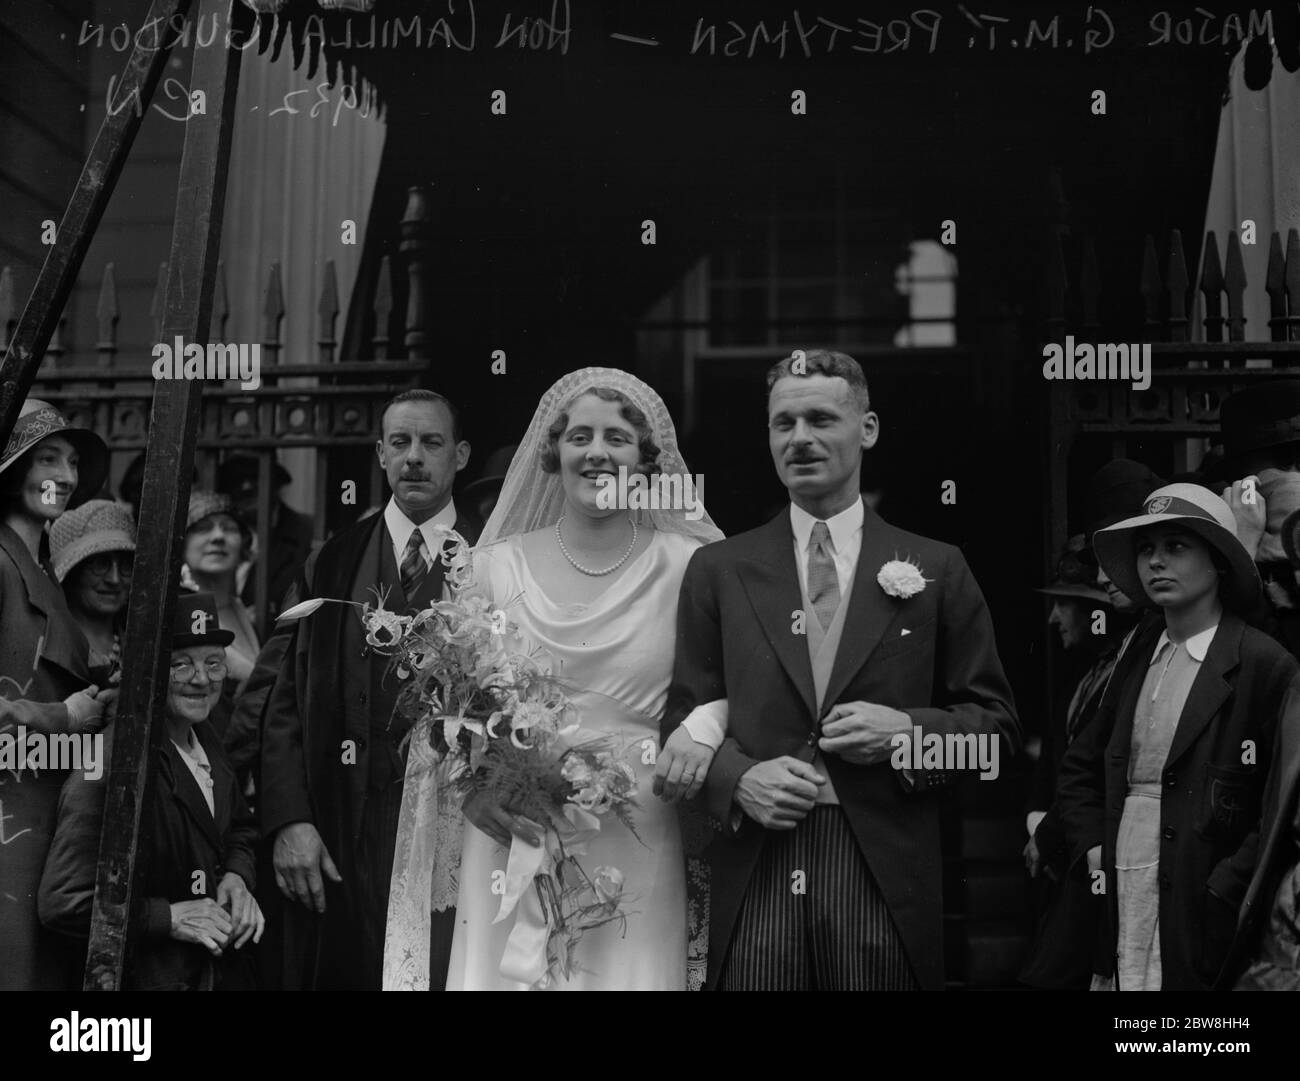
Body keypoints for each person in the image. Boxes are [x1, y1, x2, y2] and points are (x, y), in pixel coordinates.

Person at [659, 349, 1020, 990]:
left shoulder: (937, 566)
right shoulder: (720, 569)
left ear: (869, 429)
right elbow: (682, 723)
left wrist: (906, 732)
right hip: (758, 861)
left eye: (822, 419)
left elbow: (996, 738)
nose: (800, 439)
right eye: (783, 423)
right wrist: (739, 781)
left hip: (881, 863)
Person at [418, 368, 722, 991]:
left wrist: (703, 730)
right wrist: (480, 782)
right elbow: (452, 705)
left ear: (646, 460)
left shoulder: (691, 565)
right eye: (579, 435)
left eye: (617, 437)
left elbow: (730, 679)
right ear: (552, 453)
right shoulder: (490, 569)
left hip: (637, 821)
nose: (597, 452)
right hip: (514, 828)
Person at [260, 388, 479, 990]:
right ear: (380, 454)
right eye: (400, 443)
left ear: (459, 455)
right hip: (342, 820)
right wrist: (288, 820)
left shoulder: (495, 557)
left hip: (456, 828)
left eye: (431, 443)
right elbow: (278, 700)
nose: (414, 457)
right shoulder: (331, 561)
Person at [1057, 483, 1299, 990]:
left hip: (1200, 888)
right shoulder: (1137, 656)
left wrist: (1225, 886)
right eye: (1147, 549)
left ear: (1217, 563)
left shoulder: (1262, 664)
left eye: (1177, 548)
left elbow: (1278, 804)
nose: (1156, 562)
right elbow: (1082, 765)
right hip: (1122, 876)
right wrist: (1092, 848)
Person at [39, 593, 264, 990]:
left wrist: (236, 875)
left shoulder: (205, 736)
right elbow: (63, 902)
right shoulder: (114, 758)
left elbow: (240, 829)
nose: (202, 679)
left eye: (214, 663)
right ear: (149, 669)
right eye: (181, 665)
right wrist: (169, 917)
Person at [0, 398, 112, 991]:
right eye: (48, 458)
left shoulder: (39, 572)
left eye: (71, 462)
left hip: (44, 822)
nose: (65, 477)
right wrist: (61, 716)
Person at [1018, 544, 1118, 989]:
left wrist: (1051, 831)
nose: (1053, 618)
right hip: (1063, 859)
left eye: (1064, 605)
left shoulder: (1120, 677)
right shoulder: (1081, 679)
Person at [50, 500, 136, 687]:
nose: (114, 579)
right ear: (73, 573)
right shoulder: (47, 642)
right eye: (100, 564)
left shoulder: (140, 643)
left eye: (126, 566)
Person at [217, 455, 314, 620]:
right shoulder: (221, 533)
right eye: (236, 478)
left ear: (275, 483)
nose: (245, 487)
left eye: (255, 476)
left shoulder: (308, 532)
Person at [181, 490, 260, 689]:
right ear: (181, 543)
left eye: (229, 528)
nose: (218, 536)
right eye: (202, 528)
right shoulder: (182, 612)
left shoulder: (238, 607)